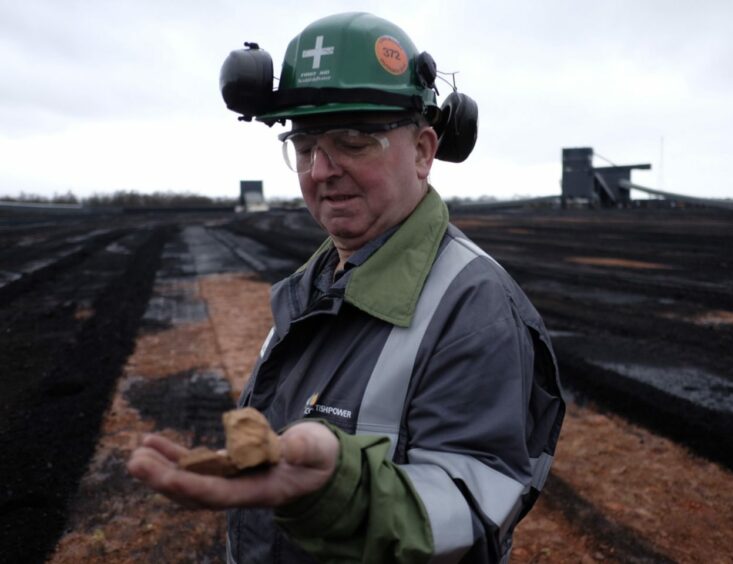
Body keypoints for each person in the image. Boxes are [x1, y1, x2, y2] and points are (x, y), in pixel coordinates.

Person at [128, 12, 565, 563]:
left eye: (353, 141)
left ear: (424, 151)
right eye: (306, 145)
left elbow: (469, 511)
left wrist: (333, 490)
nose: (319, 171)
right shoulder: (315, 286)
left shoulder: (475, 309)